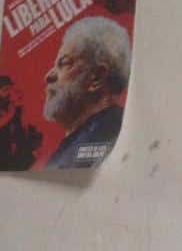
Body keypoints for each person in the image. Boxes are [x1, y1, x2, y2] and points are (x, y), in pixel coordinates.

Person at [41, 16, 132, 170]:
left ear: (96, 77)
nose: (48, 75)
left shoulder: (103, 137)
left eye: (64, 63)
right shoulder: (92, 136)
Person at [0, 75, 42, 172]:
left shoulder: (12, 106)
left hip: (10, 151)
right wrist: (10, 115)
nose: (8, 93)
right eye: (5, 90)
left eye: (10, 89)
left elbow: (21, 131)